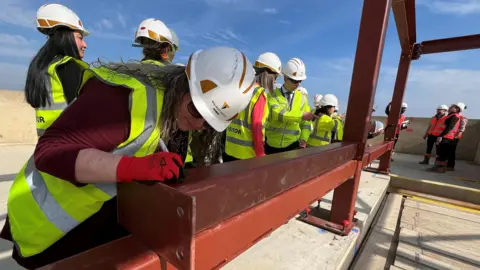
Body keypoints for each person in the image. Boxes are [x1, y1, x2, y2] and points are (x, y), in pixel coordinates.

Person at [1, 47, 255, 269]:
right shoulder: (124, 100)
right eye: (195, 110)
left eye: (208, 123)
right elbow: (49, 152)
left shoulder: (166, 104)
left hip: (89, 217)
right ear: (183, 83)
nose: (199, 124)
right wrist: (134, 167)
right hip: (45, 224)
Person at [26, 3, 90, 137]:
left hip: (46, 144)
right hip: (69, 144)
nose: (85, 45)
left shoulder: (43, 68)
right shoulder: (68, 66)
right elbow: (86, 113)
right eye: (80, 38)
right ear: (66, 37)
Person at [224, 52, 281, 161]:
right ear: (267, 73)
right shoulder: (259, 94)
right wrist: (260, 154)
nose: (274, 81)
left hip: (229, 150)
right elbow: (257, 126)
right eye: (275, 77)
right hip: (247, 156)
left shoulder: (238, 88)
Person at [265, 58, 315, 153]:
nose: (298, 84)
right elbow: (279, 114)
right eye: (294, 81)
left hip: (293, 146)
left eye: (300, 81)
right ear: (285, 78)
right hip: (272, 145)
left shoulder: (303, 98)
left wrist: (304, 138)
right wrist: (301, 115)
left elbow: (306, 123)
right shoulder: (272, 95)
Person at [428, 104, 461, 173]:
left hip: (448, 137)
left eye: (452, 107)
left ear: (456, 109)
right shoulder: (451, 115)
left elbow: (449, 127)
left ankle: (440, 169)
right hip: (446, 136)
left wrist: (441, 136)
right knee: (441, 153)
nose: (450, 107)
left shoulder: (454, 116)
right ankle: (438, 168)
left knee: (443, 154)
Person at [447, 102, 468, 171]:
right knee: (447, 150)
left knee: (451, 151)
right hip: (449, 135)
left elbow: (462, 127)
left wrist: (459, 134)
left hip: (454, 136)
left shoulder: (461, 117)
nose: (450, 107)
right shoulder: (451, 115)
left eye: (453, 106)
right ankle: (446, 164)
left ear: (458, 109)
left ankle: (450, 166)